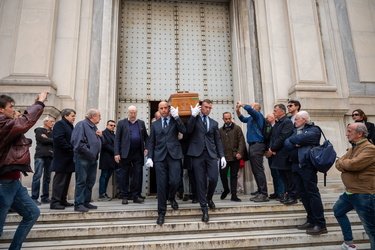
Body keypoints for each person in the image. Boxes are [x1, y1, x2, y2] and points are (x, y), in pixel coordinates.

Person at [0, 91, 48, 250]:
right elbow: (25, 121)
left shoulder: (7, 123)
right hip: (4, 183)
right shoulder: (1, 124)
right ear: (1, 109)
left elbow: (21, 122)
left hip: (13, 182)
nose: (13, 110)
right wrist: (39, 103)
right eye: (10, 107)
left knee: (32, 213)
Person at [284, 111, 327, 235]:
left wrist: (295, 141)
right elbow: (286, 143)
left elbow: (301, 139)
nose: (294, 121)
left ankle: (320, 223)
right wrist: (295, 142)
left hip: (307, 165)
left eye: (297, 119)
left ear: (304, 120)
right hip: (295, 166)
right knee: (303, 194)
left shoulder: (314, 129)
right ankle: (311, 219)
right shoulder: (294, 130)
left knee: (312, 193)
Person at [333, 123, 375, 250]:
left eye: (349, 131)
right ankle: (348, 242)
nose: (346, 134)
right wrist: (344, 163)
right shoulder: (353, 148)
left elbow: (353, 165)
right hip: (350, 193)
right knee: (338, 211)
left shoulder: (370, 148)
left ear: (360, 133)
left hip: (364, 194)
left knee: (371, 230)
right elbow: (338, 163)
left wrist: (343, 163)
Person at [146, 101, 186, 225]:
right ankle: (161, 213)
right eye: (161, 108)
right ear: (158, 109)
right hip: (160, 157)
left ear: (169, 109)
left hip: (174, 155)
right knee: (161, 185)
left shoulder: (175, 120)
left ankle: (171, 197)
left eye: (165, 108)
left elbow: (184, 130)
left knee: (175, 181)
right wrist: (149, 157)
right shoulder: (155, 124)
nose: (163, 110)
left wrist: (177, 117)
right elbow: (151, 141)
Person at [186, 100, 226, 223]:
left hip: (211, 154)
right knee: (200, 182)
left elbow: (217, 140)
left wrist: (222, 156)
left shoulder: (214, 123)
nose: (208, 109)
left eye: (210, 108)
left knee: (214, 178)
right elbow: (188, 130)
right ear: (201, 107)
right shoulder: (194, 119)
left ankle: (209, 198)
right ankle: (204, 210)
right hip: (197, 154)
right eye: (206, 107)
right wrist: (193, 115)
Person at [114, 105, 149, 204]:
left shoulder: (141, 123)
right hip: (125, 153)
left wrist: (146, 148)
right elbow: (117, 139)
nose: (132, 114)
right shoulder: (122, 123)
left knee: (138, 174)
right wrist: (116, 153)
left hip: (138, 153)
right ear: (127, 113)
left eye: (134, 112)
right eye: (131, 112)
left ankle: (136, 195)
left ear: (136, 113)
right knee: (124, 174)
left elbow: (146, 137)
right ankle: (124, 195)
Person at [236, 101, 269, 202]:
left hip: (257, 145)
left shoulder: (258, 115)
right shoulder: (251, 118)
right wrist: (238, 111)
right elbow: (242, 118)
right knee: (255, 170)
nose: (249, 108)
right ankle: (260, 191)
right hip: (252, 146)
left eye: (251, 106)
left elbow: (249, 110)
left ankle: (264, 193)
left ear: (256, 109)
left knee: (258, 170)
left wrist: (242, 105)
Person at [71, 109, 102, 212]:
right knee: (81, 181)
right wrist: (90, 153)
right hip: (83, 158)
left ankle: (86, 201)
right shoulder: (82, 125)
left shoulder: (94, 127)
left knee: (90, 181)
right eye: (99, 116)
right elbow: (78, 143)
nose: (100, 118)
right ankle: (79, 203)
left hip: (92, 159)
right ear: (93, 116)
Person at [265, 104, 295, 204]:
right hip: (277, 154)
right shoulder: (278, 123)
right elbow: (272, 137)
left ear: (282, 111)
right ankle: (287, 194)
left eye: (275, 111)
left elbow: (283, 137)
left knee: (288, 176)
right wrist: (270, 148)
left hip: (284, 154)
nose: (274, 113)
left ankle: (292, 196)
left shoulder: (287, 122)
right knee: (282, 176)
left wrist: (272, 148)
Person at [50, 108, 76, 210]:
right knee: (60, 180)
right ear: (66, 116)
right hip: (62, 157)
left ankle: (62, 200)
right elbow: (59, 139)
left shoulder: (69, 125)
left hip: (69, 157)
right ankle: (55, 202)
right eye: (72, 116)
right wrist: (70, 148)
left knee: (66, 180)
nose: (74, 118)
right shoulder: (60, 124)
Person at [219, 112, 246, 202]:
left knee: (234, 175)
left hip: (235, 156)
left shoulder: (237, 128)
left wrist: (239, 153)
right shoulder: (220, 130)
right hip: (224, 157)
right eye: (226, 119)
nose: (228, 120)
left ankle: (234, 194)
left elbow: (241, 141)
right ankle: (226, 189)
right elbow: (217, 143)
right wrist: (218, 154)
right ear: (223, 119)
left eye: (229, 118)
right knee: (223, 174)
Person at [31, 116, 55, 205]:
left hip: (50, 155)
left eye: (53, 122)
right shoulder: (39, 130)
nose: (53, 123)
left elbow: (56, 140)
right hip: (40, 156)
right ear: (45, 122)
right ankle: (34, 197)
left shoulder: (53, 132)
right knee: (37, 176)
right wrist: (50, 139)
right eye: (51, 121)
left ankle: (45, 197)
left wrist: (48, 138)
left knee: (47, 177)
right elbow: (43, 140)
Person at [265, 113, 284, 200]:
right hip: (270, 153)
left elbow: (279, 139)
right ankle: (276, 192)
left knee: (279, 173)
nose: (266, 119)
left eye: (267, 118)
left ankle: (281, 192)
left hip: (276, 153)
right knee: (273, 174)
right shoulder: (268, 128)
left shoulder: (277, 126)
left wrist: (273, 150)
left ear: (272, 118)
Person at [98, 120, 117, 201]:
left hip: (112, 159)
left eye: (114, 126)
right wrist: (116, 151)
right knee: (104, 176)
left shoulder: (114, 135)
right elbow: (105, 144)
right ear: (106, 125)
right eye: (111, 125)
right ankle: (101, 194)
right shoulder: (103, 133)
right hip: (106, 158)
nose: (112, 127)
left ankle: (104, 193)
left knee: (108, 176)